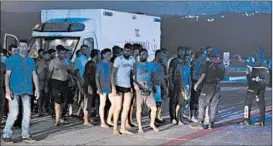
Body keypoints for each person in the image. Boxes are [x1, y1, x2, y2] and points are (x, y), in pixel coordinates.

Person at [2, 40, 39, 143]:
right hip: (14, 89)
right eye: (21, 46)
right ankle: (6, 134)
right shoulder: (11, 60)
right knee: (14, 113)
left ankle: (26, 135)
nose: (23, 48)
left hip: (27, 89)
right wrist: (7, 89)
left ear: (28, 48)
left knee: (27, 113)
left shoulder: (31, 61)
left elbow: (34, 74)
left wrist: (37, 89)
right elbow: (7, 75)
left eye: (25, 46)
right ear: (18, 48)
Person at [190, 48, 225, 129]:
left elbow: (203, 75)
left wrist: (197, 84)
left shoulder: (208, 63)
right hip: (217, 86)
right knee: (213, 105)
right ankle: (211, 124)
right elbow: (222, 77)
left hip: (208, 86)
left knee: (202, 103)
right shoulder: (221, 64)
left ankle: (200, 122)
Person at [239, 51, 270, 126]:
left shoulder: (251, 65)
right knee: (261, 103)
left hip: (253, 87)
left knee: (247, 103)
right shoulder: (265, 64)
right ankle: (262, 121)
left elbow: (248, 76)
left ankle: (246, 120)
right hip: (262, 86)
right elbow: (268, 79)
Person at [45, 45, 74, 126]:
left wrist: (68, 67)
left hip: (65, 82)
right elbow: (49, 74)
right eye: (62, 53)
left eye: (64, 53)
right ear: (58, 53)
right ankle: (57, 119)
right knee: (57, 101)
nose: (63, 55)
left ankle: (61, 116)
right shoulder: (53, 61)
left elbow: (72, 71)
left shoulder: (67, 61)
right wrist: (47, 85)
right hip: (56, 82)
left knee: (64, 101)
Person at [111, 43, 135, 135]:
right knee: (118, 107)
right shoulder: (118, 59)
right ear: (123, 50)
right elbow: (112, 74)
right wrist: (113, 87)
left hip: (128, 86)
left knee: (126, 107)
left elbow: (131, 74)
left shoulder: (132, 60)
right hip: (119, 86)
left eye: (129, 51)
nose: (127, 52)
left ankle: (123, 128)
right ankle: (115, 128)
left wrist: (132, 86)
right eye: (126, 50)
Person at [133, 49, 159, 133]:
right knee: (139, 109)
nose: (142, 56)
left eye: (144, 54)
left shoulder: (151, 65)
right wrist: (135, 84)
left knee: (154, 108)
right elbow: (131, 76)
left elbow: (153, 76)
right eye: (140, 54)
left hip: (149, 88)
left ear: (147, 55)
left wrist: (154, 85)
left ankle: (152, 123)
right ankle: (140, 127)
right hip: (139, 88)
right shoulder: (136, 65)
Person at [168, 46, 189, 125]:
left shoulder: (184, 61)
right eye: (180, 51)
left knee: (180, 101)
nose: (182, 53)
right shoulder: (174, 61)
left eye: (183, 51)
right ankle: (172, 117)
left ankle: (179, 117)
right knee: (173, 101)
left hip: (182, 83)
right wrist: (170, 83)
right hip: (174, 83)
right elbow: (170, 72)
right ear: (177, 52)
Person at [95, 48, 115, 128]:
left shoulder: (111, 64)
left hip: (110, 86)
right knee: (102, 104)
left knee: (114, 103)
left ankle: (109, 119)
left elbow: (113, 75)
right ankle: (102, 122)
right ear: (104, 55)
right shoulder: (99, 64)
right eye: (108, 54)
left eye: (110, 54)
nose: (110, 56)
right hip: (102, 86)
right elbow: (96, 77)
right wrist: (98, 87)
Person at [82, 49, 100, 126]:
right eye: (99, 55)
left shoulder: (96, 63)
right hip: (89, 85)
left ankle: (90, 117)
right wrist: (89, 86)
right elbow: (85, 76)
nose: (100, 56)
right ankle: (86, 120)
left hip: (94, 85)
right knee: (88, 102)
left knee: (94, 102)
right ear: (96, 55)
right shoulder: (90, 64)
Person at [152, 50, 168, 124]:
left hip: (160, 86)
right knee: (153, 105)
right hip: (154, 86)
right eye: (162, 55)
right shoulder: (152, 64)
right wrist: (152, 86)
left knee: (159, 104)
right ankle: (152, 121)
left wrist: (165, 87)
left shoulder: (161, 65)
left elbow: (161, 77)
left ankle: (157, 118)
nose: (163, 57)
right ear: (158, 55)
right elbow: (150, 77)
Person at [36, 50, 50, 116]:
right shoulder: (39, 62)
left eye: (49, 55)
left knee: (46, 96)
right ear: (44, 55)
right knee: (40, 96)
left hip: (47, 82)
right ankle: (40, 110)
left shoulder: (50, 62)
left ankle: (44, 108)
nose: (48, 56)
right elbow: (35, 71)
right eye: (47, 55)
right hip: (40, 81)